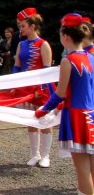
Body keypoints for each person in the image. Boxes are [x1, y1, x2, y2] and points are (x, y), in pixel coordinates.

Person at [35, 13, 94, 195]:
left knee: (82, 169)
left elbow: (60, 93)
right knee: (92, 165)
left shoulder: (68, 61)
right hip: (92, 113)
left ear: (66, 36)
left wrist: (44, 109)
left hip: (77, 116)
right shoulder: (92, 57)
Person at [13, 7, 54, 168]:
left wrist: (41, 88)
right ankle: (35, 154)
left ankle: (45, 156)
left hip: (40, 89)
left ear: (32, 26)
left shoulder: (43, 44)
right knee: (30, 121)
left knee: (44, 121)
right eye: (19, 26)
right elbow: (17, 66)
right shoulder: (21, 44)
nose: (20, 29)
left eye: (22, 25)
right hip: (25, 88)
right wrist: (14, 83)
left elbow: (47, 70)